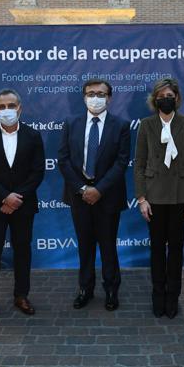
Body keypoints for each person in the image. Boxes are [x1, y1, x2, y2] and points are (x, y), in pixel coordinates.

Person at [0, 89, 45, 324]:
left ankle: (21, 296)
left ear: (20, 108)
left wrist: (16, 198)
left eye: (11, 105)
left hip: (23, 206)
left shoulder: (33, 136)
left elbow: (37, 172)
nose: (6, 110)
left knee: (22, 251)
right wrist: (4, 197)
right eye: (1, 106)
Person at [58, 79, 130, 311]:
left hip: (107, 196)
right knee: (85, 246)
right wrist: (82, 189)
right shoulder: (71, 123)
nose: (95, 98)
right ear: (83, 97)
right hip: (79, 196)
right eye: (91, 93)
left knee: (108, 246)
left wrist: (99, 189)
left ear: (109, 98)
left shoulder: (121, 125)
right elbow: (64, 159)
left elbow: (121, 162)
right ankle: (85, 289)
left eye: (101, 94)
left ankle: (111, 290)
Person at [134, 78, 184, 319]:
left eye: (170, 95)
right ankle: (158, 295)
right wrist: (141, 198)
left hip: (181, 196)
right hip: (154, 197)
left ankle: (173, 296)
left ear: (177, 98)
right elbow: (139, 163)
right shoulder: (146, 124)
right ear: (155, 99)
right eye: (162, 95)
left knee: (176, 249)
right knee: (157, 250)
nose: (166, 99)